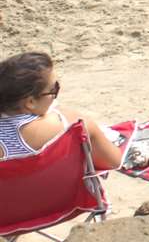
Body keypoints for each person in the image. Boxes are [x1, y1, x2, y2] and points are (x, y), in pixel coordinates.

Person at [0, 52, 128, 169]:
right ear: (30, 102)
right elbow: (113, 161)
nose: (55, 95)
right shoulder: (68, 124)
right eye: (54, 89)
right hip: (56, 193)